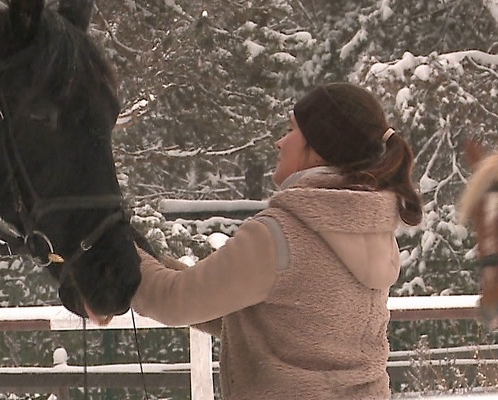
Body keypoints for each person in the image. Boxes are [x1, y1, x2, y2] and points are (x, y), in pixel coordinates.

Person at [131, 82, 423, 400]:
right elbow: (268, 319)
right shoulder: (372, 232)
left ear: (320, 146)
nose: (279, 142)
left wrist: (118, 254)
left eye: (291, 129)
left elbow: (175, 301)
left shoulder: (277, 236)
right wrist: (154, 259)